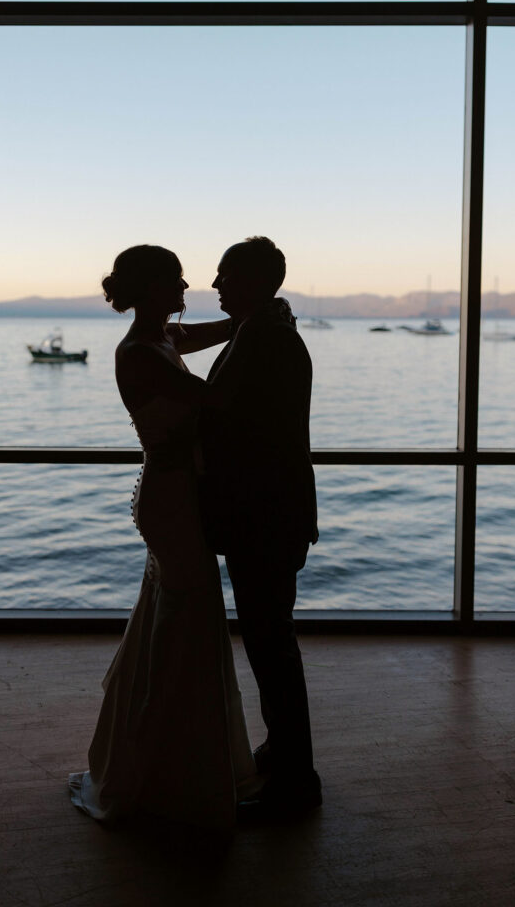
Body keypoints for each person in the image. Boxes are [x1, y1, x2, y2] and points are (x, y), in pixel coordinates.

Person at [69, 244, 262, 831]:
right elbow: (218, 400)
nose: (187, 289)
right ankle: (162, 771)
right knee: (186, 623)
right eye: (176, 281)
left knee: (177, 622)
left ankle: (162, 762)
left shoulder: (159, 341)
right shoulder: (142, 353)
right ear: (153, 289)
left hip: (176, 498)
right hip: (171, 500)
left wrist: (251, 318)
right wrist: (256, 338)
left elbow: (209, 332)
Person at [200, 236, 321, 820]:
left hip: (265, 517)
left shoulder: (265, 337)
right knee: (272, 640)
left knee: (272, 644)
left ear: (251, 281)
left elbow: (219, 405)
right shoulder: (266, 330)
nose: (215, 286)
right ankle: (284, 751)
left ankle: (297, 781)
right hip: (272, 514)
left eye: (224, 277)